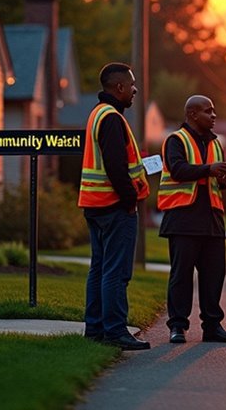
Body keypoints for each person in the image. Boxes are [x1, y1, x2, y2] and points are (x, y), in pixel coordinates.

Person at [78, 62, 152, 351]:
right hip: (113, 207)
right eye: (131, 85)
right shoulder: (111, 118)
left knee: (99, 269)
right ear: (118, 87)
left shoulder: (98, 114)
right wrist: (130, 200)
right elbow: (114, 166)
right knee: (116, 272)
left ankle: (95, 329)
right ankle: (116, 331)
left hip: (95, 205)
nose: (135, 90)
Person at [158, 95, 226, 344]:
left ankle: (212, 326)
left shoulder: (216, 144)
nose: (213, 116)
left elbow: (215, 180)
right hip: (183, 219)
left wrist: (225, 178)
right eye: (208, 111)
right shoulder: (175, 140)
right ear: (192, 114)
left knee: (214, 275)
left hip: (212, 219)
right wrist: (209, 169)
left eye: (214, 111)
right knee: (181, 275)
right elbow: (178, 169)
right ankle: (177, 327)